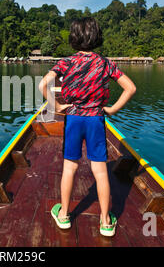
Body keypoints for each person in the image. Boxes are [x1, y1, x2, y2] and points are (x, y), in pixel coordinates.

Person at [38, 17, 136, 237]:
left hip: (73, 118)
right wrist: (111, 110)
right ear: (97, 37)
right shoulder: (105, 63)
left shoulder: (66, 62)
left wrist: (57, 106)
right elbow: (130, 88)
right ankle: (105, 221)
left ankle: (63, 215)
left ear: (74, 38)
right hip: (95, 119)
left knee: (69, 167)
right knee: (100, 171)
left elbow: (43, 84)